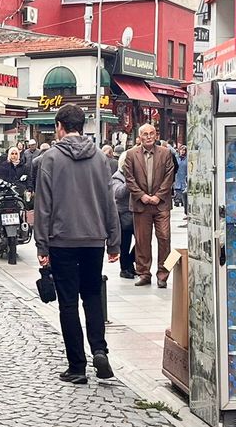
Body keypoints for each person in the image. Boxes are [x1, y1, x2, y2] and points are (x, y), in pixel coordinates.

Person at [33, 105, 120, 386]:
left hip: (62, 240)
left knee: (68, 303)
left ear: (60, 126)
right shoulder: (99, 158)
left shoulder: (51, 158)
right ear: (82, 126)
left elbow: (43, 206)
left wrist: (42, 246)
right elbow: (110, 202)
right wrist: (114, 241)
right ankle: (99, 350)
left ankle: (77, 367)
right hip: (94, 240)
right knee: (92, 296)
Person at [123, 124, 176, 288]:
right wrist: (142, 196)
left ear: (155, 135)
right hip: (141, 205)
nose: (148, 137)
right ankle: (144, 273)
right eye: (145, 134)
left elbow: (170, 175)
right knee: (142, 241)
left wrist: (158, 196)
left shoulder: (165, 153)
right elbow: (129, 178)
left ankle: (163, 275)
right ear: (139, 137)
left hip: (161, 205)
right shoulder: (131, 154)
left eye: (151, 134)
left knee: (165, 239)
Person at [111, 151, 136, 280]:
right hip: (124, 215)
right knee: (125, 244)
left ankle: (130, 262)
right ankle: (125, 268)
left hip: (137, 214)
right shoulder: (117, 177)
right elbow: (118, 193)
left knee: (142, 242)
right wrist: (129, 182)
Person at [174, 144, 189, 215]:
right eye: (181, 150)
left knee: (184, 192)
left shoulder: (187, 159)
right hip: (178, 177)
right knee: (177, 191)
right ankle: (177, 201)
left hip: (185, 177)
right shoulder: (176, 158)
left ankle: (184, 205)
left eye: (184, 150)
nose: (182, 151)